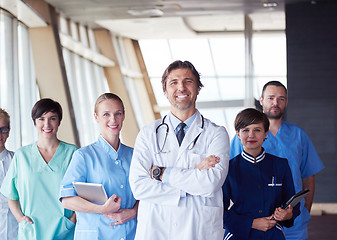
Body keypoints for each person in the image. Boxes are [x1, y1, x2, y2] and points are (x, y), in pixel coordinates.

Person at [129, 60, 230, 240]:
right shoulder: (148, 134)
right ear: (165, 91)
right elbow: (139, 186)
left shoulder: (216, 133)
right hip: (156, 230)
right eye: (173, 82)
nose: (181, 87)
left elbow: (211, 183)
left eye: (188, 81)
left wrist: (162, 173)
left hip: (198, 231)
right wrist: (194, 174)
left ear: (198, 88)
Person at [230, 81, 324, 240]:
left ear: (286, 101)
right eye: (271, 98)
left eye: (281, 98)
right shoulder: (244, 138)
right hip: (256, 221)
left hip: (292, 221)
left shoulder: (298, 135)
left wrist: (304, 210)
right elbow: (231, 177)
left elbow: (308, 175)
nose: (275, 103)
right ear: (261, 100)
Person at [60, 93, 138, 240]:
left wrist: (133, 212)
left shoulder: (135, 155)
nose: (113, 120)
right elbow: (67, 200)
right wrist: (100, 209)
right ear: (96, 117)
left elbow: (147, 193)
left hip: (131, 234)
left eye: (118, 113)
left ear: (123, 115)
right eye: (106, 114)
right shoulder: (84, 156)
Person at [0, 98, 78, 240]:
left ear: (59, 121)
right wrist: (20, 218)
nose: (47, 124)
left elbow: (85, 192)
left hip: (65, 230)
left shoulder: (74, 153)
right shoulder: (21, 156)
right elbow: (11, 195)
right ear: (35, 122)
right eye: (41, 118)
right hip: (31, 232)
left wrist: (74, 218)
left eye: (52, 118)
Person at [223, 108, 300, 240]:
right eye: (245, 130)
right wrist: (252, 223)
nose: (251, 135)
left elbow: (292, 202)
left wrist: (288, 214)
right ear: (238, 134)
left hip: (273, 234)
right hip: (238, 235)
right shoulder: (228, 168)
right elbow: (218, 210)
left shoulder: (281, 165)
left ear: (266, 133)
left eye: (257, 130)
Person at [0, 108, 18, 240]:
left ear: (9, 131)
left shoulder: (18, 160)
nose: (0, 134)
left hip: (15, 227)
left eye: (3, 129)